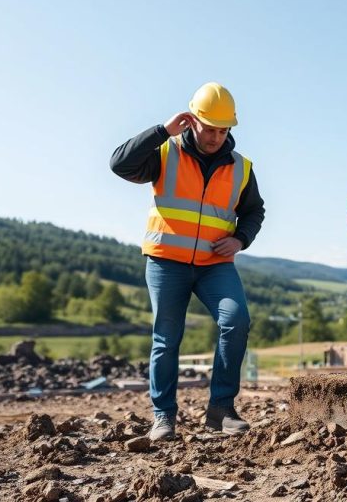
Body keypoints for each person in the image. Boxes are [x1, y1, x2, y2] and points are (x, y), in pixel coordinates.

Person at [110, 82, 265, 440]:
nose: (215, 137)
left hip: (215, 265)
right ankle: (163, 417)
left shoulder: (241, 167)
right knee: (167, 338)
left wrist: (241, 238)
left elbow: (254, 211)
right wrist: (162, 130)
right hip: (167, 262)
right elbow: (119, 163)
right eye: (209, 128)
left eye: (222, 130)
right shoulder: (165, 152)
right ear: (191, 120)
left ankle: (221, 410)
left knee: (236, 319)